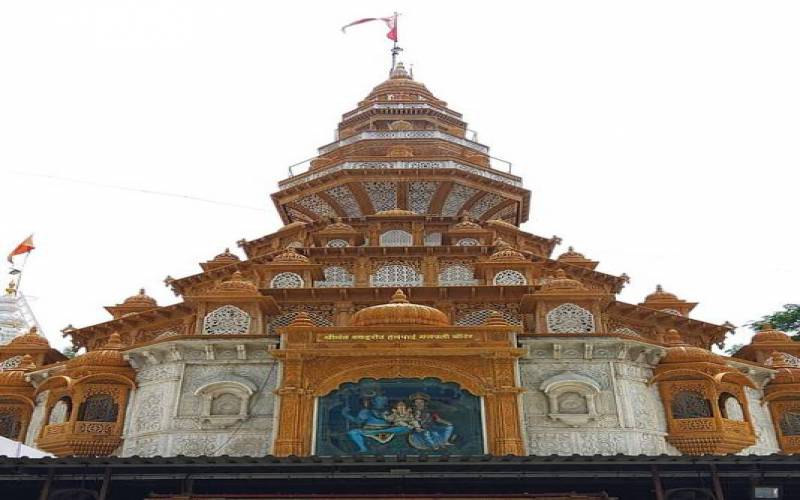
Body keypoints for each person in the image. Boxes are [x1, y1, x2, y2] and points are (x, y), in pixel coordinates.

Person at [341, 394, 412, 452]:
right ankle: (363, 448)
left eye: (384, 401)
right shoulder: (366, 411)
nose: (383, 402)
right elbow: (358, 421)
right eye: (380, 400)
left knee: (404, 428)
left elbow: (399, 420)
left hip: (388, 430)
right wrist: (346, 415)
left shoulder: (391, 411)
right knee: (353, 432)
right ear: (374, 402)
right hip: (370, 430)